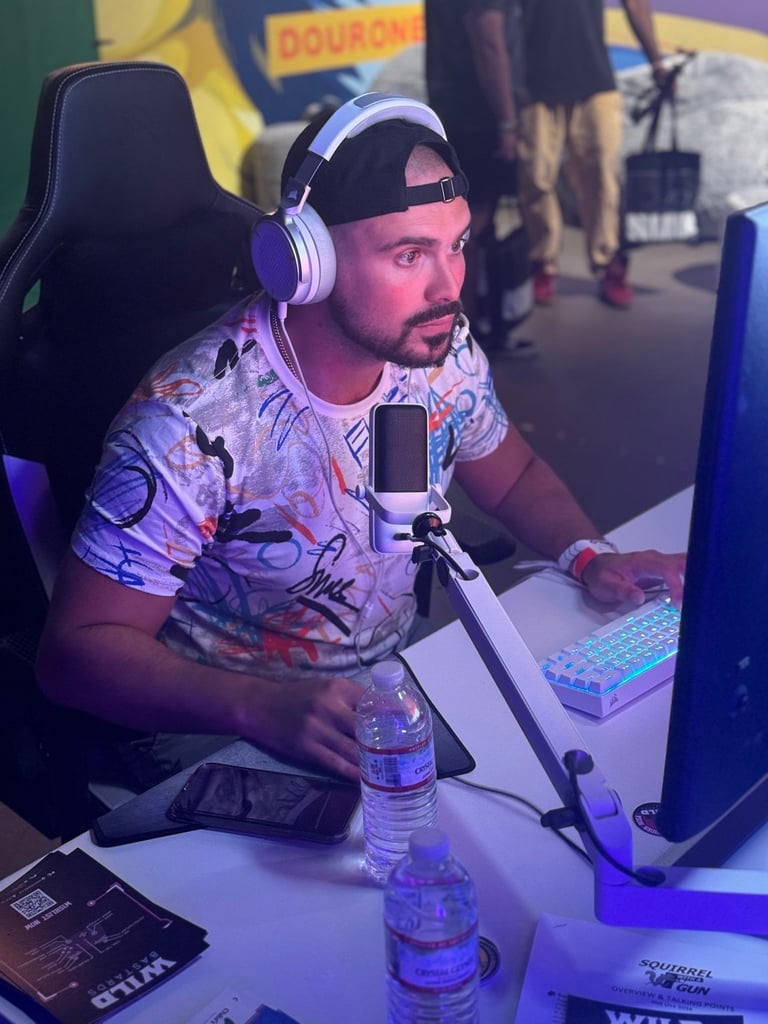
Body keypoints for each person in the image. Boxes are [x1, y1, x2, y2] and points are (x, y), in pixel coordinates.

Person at [36, 97, 685, 791]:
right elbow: (74, 655)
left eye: (456, 245)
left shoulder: (437, 349)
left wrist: (590, 556)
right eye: (409, 254)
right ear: (302, 262)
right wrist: (258, 706)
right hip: (218, 737)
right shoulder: (192, 423)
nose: (449, 289)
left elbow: (514, 473)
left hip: (386, 699)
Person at [516, 0, 671, 309]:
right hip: (536, 84)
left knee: (601, 178)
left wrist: (657, 61)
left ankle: (607, 263)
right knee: (535, 178)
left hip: (594, 81)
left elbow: (635, 4)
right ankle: (542, 264)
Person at [425, 0, 529, 351]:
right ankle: (462, 336)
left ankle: (474, 330)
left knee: (470, 228)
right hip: (478, 116)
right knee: (469, 229)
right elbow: (489, 43)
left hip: (456, 113)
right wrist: (507, 121)